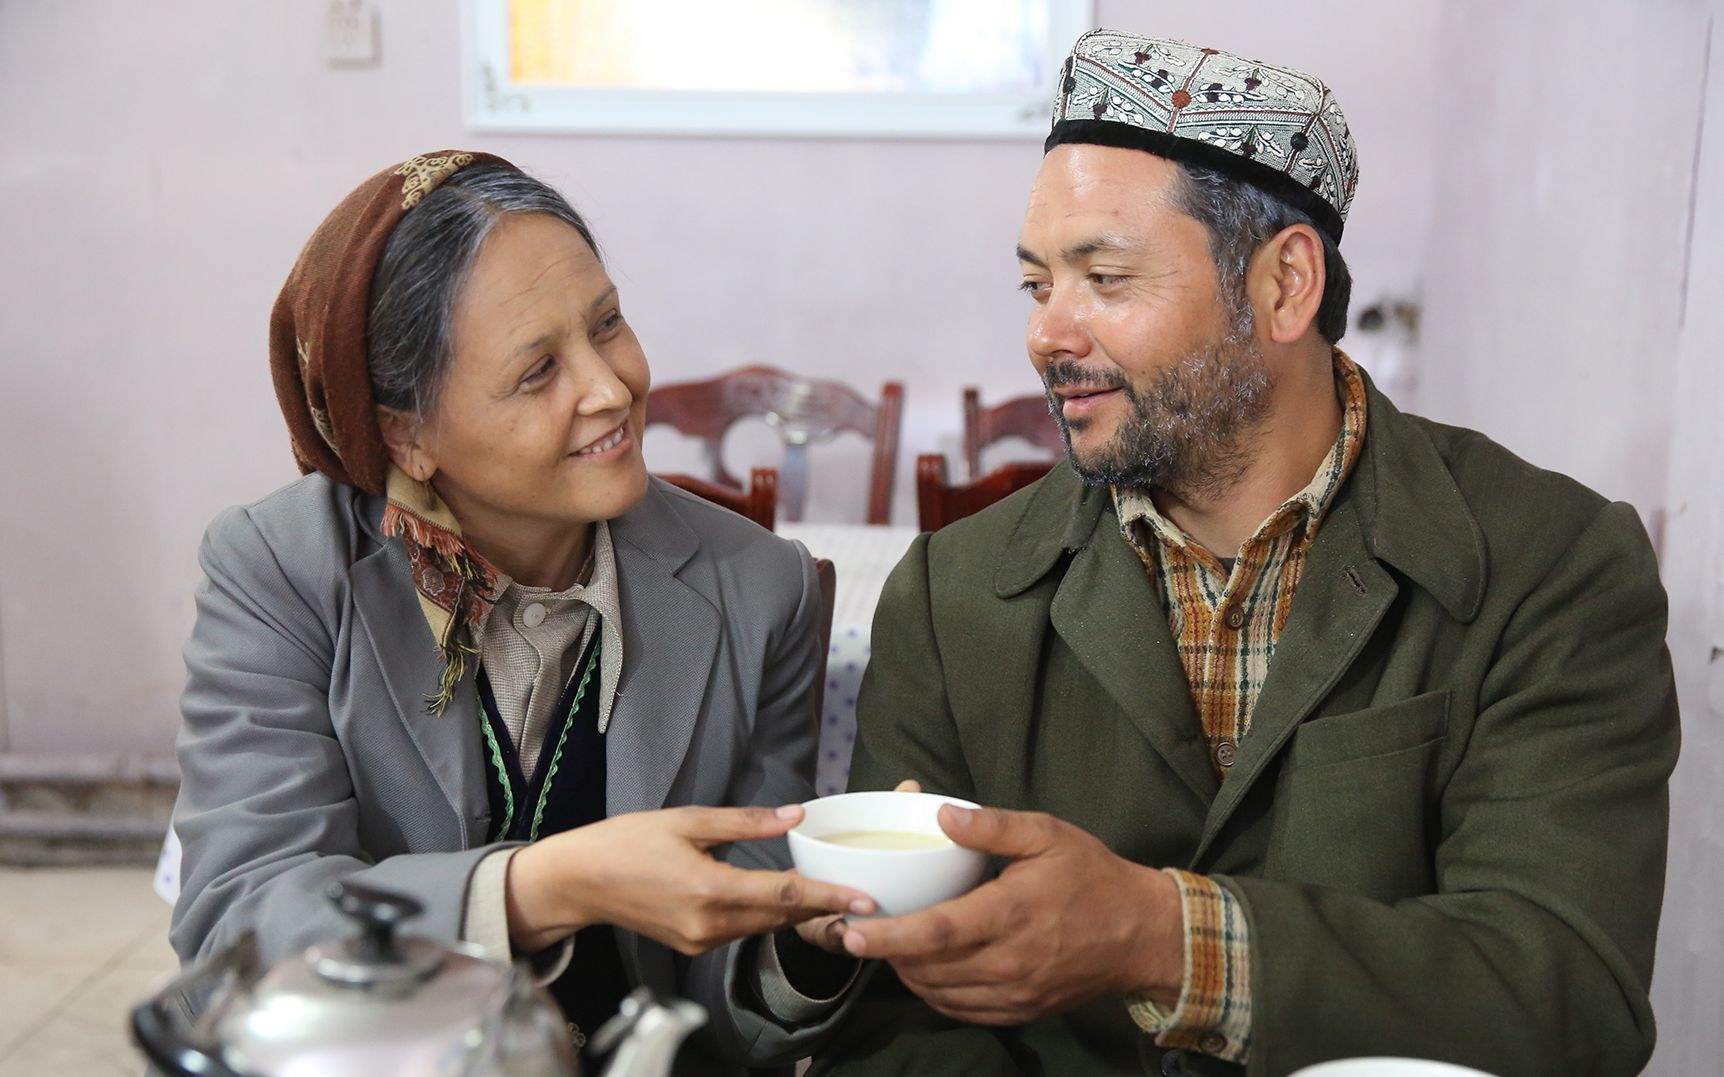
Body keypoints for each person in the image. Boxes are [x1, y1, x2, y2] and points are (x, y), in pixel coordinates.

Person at [813, 29, 1679, 1077]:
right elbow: (890, 1021)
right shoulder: (953, 595)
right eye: (1036, 284)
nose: (1048, 332)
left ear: (1283, 287)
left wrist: (1156, 936)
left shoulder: (1547, 566)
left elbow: (1566, 993)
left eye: (1104, 276)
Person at [169, 150, 870, 1072]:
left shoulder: (757, 585)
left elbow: (727, 976)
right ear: (404, 433)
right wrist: (540, 887)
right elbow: (241, 918)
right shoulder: (286, 570)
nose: (611, 387)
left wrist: (800, 939)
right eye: (539, 370)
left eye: (608, 323)